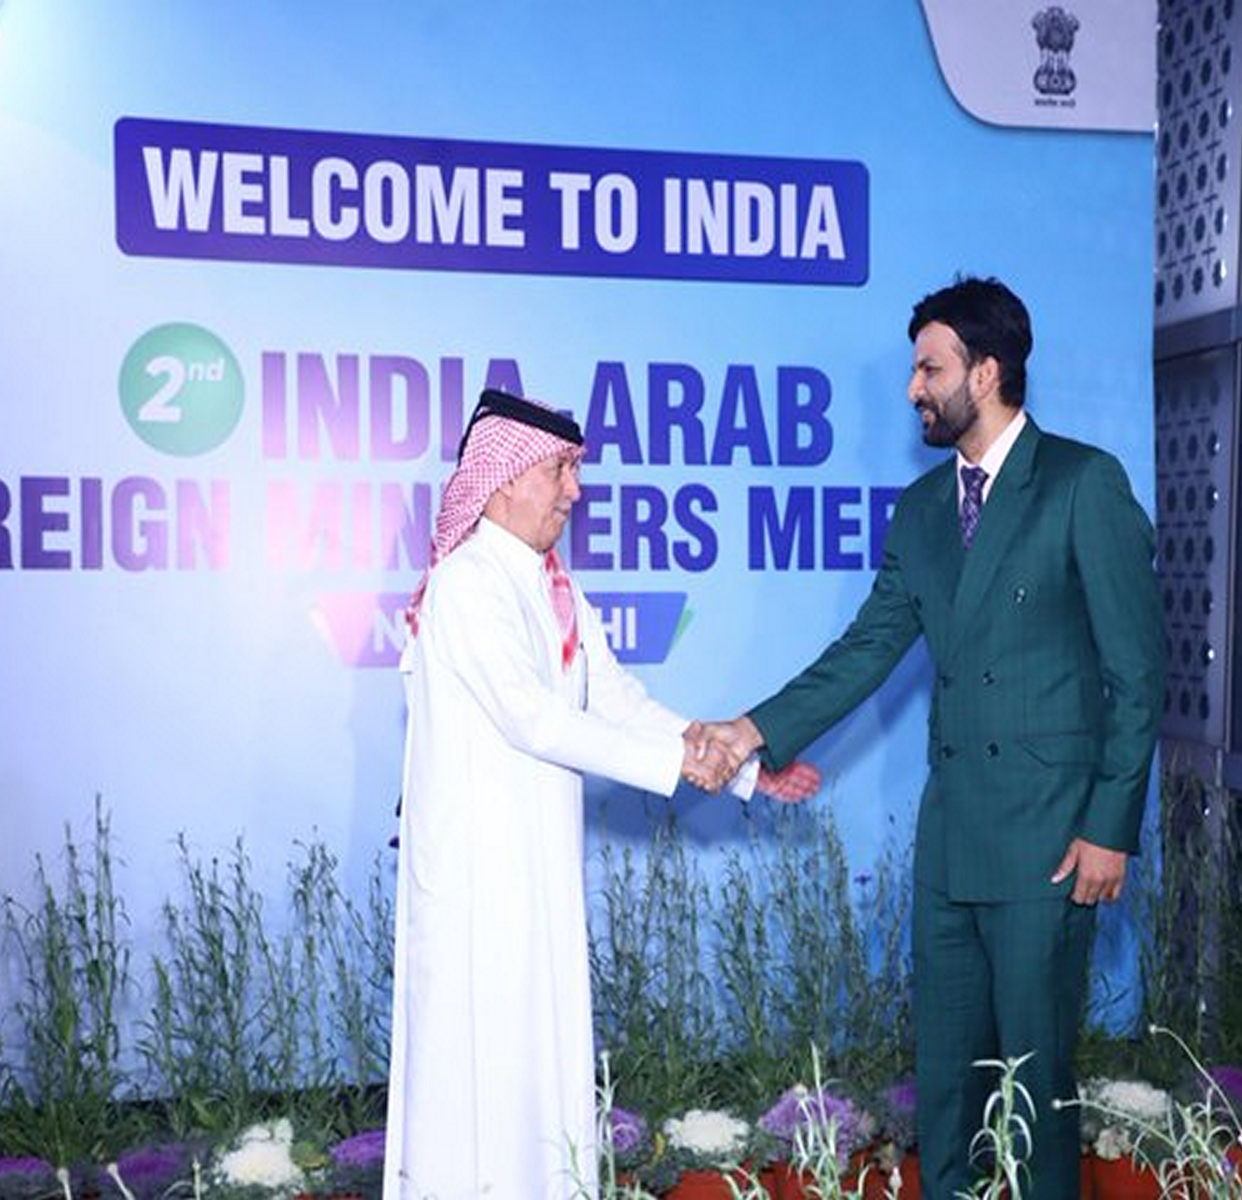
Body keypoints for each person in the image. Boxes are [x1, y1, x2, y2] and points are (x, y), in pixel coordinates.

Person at [699, 277, 1166, 1198]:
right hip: (950, 847)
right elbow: (868, 647)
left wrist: (1112, 825)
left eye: (930, 367)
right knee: (947, 1096)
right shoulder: (921, 511)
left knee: (1034, 1095)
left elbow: (1137, 676)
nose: (914, 387)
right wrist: (755, 731)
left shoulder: (1082, 484)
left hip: (1052, 845)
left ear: (986, 372)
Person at [383, 390, 817, 1200]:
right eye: (562, 470)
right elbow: (533, 720)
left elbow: (618, 700)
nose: (575, 492)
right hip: (479, 888)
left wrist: (741, 763)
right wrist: (682, 768)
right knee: (473, 1087)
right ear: (505, 479)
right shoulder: (467, 584)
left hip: (536, 879)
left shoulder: (553, 588)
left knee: (539, 1075)